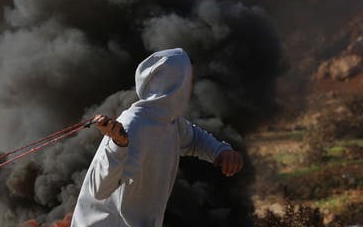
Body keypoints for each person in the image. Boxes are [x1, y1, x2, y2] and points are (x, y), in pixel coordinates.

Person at [71, 48, 243, 227]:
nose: (190, 87)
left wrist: (220, 152)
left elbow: (194, 139)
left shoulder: (170, 123)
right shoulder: (133, 125)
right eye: (188, 81)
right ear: (176, 84)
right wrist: (117, 145)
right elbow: (99, 190)